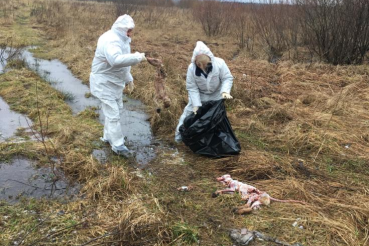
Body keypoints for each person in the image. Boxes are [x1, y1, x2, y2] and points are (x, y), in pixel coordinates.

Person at [89, 14, 146, 156]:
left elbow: (123, 65)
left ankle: (108, 137)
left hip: (114, 81)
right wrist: (137, 57)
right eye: (129, 30)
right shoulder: (111, 40)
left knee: (114, 110)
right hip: (103, 81)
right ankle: (118, 145)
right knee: (113, 113)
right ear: (121, 29)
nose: (131, 33)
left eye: (131, 30)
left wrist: (129, 79)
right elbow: (115, 60)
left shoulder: (123, 40)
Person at [175, 41, 234, 142]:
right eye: (199, 65)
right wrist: (196, 104)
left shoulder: (219, 63)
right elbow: (192, 87)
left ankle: (218, 139)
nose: (202, 68)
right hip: (200, 95)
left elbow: (227, 78)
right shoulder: (191, 68)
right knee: (187, 114)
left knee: (216, 116)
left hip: (216, 94)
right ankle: (179, 137)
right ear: (196, 63)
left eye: (205, 65)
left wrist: (225, 91)